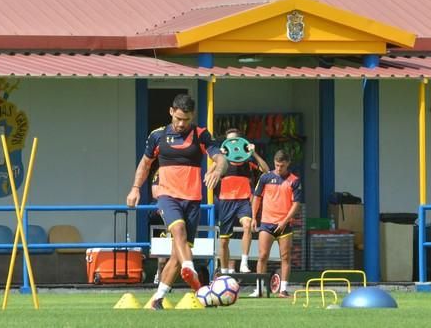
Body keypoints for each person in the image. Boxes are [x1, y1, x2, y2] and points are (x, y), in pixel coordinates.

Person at [126, 94, 227, 310]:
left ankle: (157, 299)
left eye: (187, 120)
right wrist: (135, 188)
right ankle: (194, 277)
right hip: (167, 196)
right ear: (171, 111)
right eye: (179, 118)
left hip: (192, 201)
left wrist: (218, 169)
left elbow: (221, 159)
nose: (182, 124)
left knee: (175, 253)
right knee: (178, 231)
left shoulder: (201, 135)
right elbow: (145, 165)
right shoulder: (158, 136)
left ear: (192, 117)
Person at [217, 128, 269, 275]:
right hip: (226, 201)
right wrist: (221, 158)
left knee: (247, 225)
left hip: (243, 201)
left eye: (235, 141)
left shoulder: (248, 162)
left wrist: (254, 153)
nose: (232, 145)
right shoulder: (222, 162)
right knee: (224, 241)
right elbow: (210, 175)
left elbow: (267, 171)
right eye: (229, 141)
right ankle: (224, 271)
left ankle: (244, 263)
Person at [251, 150, 302, 298]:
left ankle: (283, 290)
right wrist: (254, 217)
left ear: (288, 164)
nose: (279, 168)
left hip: (284, 224)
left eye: (282, 166)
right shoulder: (265, 177)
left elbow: (296, 204)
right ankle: (259, 289)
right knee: (262, 256)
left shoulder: (294, 181)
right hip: (266, 222)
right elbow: (257, 197)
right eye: (277, 165)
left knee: (285, 257)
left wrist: (285, 220)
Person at [148, 170, 167, 284]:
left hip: (179, 211)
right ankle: (159, 274)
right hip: (163, 210)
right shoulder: (160, 172)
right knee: (162, 255)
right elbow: (155, 194)